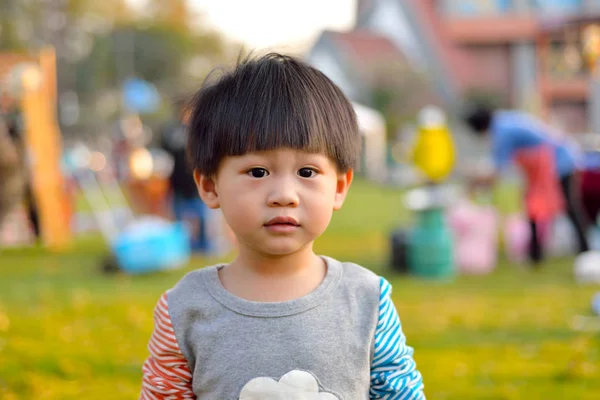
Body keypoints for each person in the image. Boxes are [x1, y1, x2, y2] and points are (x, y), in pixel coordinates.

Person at [140, 53, 425, 399]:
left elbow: (401, 392)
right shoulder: (184, 310)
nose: (284, 195)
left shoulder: (368, 300)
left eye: (307, 172)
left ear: (338, 186)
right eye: (258, 172)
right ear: (211, 186)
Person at [463, 104, 589, 264]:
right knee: (535, 208)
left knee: (567, 206)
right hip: (545, 167)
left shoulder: (502, 131)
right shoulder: (504, 120)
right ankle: (536, 254)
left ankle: (585, 251)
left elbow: (498, 169)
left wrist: (476, 184)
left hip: (559, 163)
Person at [160, 98, 211, 252]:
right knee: (179, 218)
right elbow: (166, 150)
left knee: (202, 217)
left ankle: (203, 247)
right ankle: (182, 247)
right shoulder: (172, 131)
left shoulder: (199, 130)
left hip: (196, 181)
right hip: (178, 181)